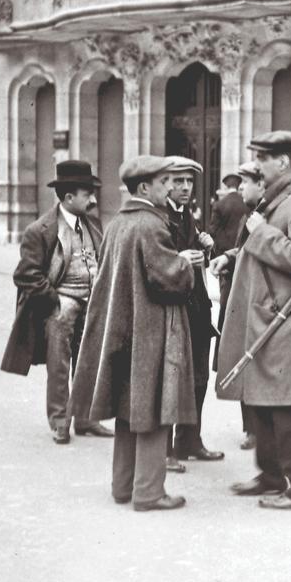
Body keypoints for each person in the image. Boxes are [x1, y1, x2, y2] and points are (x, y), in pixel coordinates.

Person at [211, 131, 291, 510]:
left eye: (263, 159)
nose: (257, 166)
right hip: (268, 317)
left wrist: (260, 232)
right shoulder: (281, 198)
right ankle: (270, 475)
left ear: (283, 162)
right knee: (263, 399)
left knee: (287, 404)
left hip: (286, 320)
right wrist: (234, 256)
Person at [69, 156, 198, 511]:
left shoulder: (117, 223)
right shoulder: (152, 226)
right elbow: (169, 279)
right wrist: (187, 264)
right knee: (155, 409)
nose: (170, 188)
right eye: (163, 183)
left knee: (129, 410)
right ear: (145, 188)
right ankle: (149, 492)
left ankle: (123, 486)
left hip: (123, 332)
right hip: (151, 333)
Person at [0, 160, 111, 444]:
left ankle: (86, 419)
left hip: (92, 303)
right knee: (59, 365)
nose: (93, 199)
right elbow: (25, 275)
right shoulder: (41, 230)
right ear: (68, 197)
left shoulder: (93, 224)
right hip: (61, 307)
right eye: (87, 194)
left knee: (89, 362)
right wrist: (55, 300)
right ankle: (60, 420)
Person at [162, 157, 224, 464]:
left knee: (199, 379)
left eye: (188, 181)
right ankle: (164, 450)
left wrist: (207, 248)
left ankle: (190, 441)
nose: (185, 187)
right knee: (171, 380)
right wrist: (182, 258)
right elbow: (155, 265)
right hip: (173, 312)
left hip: (197, 310)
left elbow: (198, 259)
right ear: (164, 183)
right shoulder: (159, 217)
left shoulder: (187, 215)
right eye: (178, 181)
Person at [210, 162, 261, 451]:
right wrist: (229, 257)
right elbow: (244, 248)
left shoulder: (266, 216)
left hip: (255, 299)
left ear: (262, 184)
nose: (241, 187)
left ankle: (258, 429)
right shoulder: (248, 215)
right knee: (240, 360)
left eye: (247, 182)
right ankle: (250, 427)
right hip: (237, 294)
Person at [207, 171, 248, 257]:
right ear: (238, 185)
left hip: (224, 251)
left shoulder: (219, 204)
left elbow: (213, 230)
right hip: (242, 249)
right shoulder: (246, 204)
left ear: (226, 186)